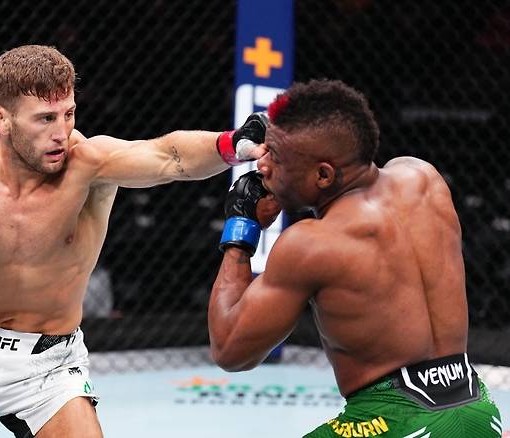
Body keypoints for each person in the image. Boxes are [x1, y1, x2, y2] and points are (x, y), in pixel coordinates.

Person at [0, 44, 267, 438]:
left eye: (68, 114)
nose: (62, 133)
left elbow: (168, 157)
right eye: (45, 119)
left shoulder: (89, 164)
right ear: (1, 120)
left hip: (48, 367)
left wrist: (234, 144)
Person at [208, 79, 503, 437]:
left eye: (277, 158)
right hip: (477, 410)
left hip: (396, 422)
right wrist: (291, 139)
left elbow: (230, 350)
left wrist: (241, 229)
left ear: (323, 174)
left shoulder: (311, 243)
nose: (263, 166)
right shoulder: (425, 178)